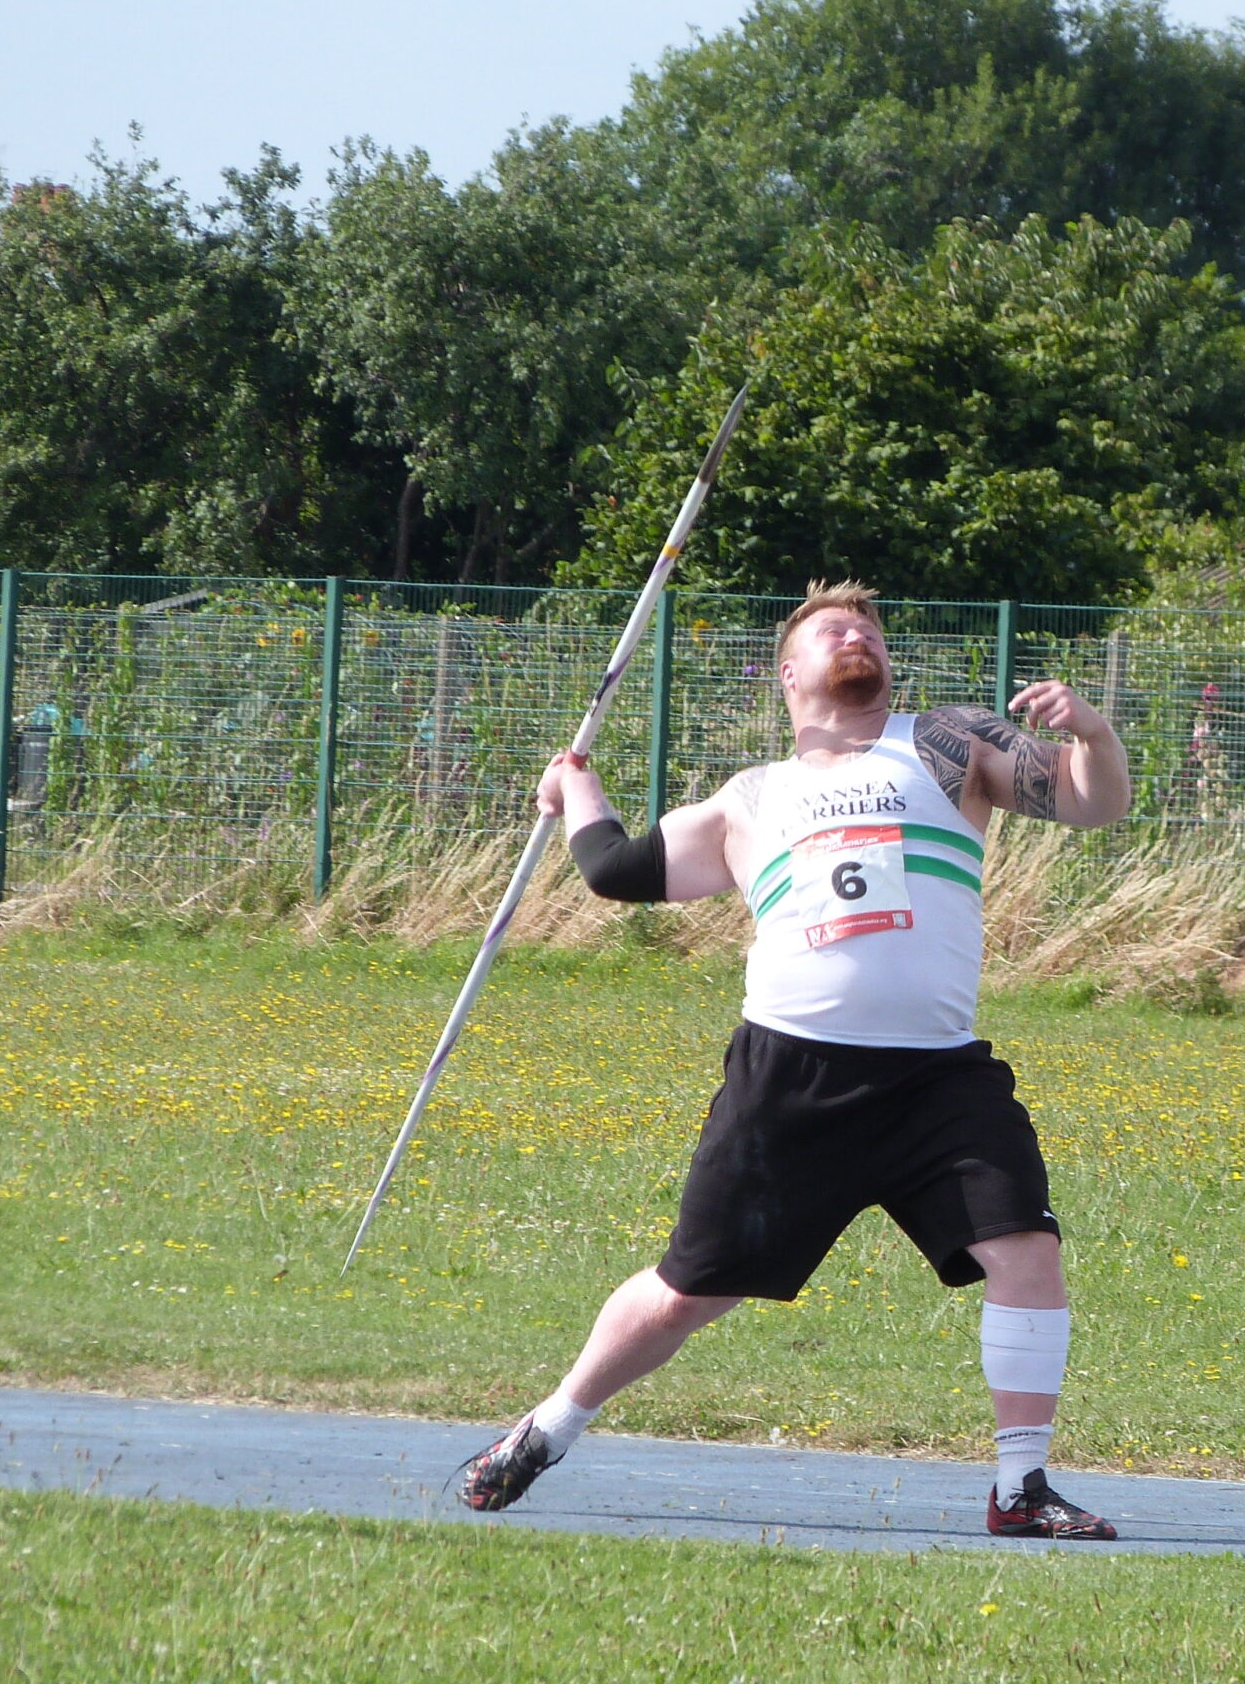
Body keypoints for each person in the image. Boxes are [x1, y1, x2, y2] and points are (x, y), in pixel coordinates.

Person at [458, 580, 1132, 1538]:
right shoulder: (751, 801)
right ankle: (548, 1427)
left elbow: (1090, 804)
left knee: (1027, 1246)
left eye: (868, 626)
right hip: (792, 1079)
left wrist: (1093, 735)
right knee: (692, 1289)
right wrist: (577, 787)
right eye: (831, 629)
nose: (856, 633)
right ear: (788, 673)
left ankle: (1021, 1490)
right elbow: (614, 870)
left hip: (938, 1078)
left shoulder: (949, 743)